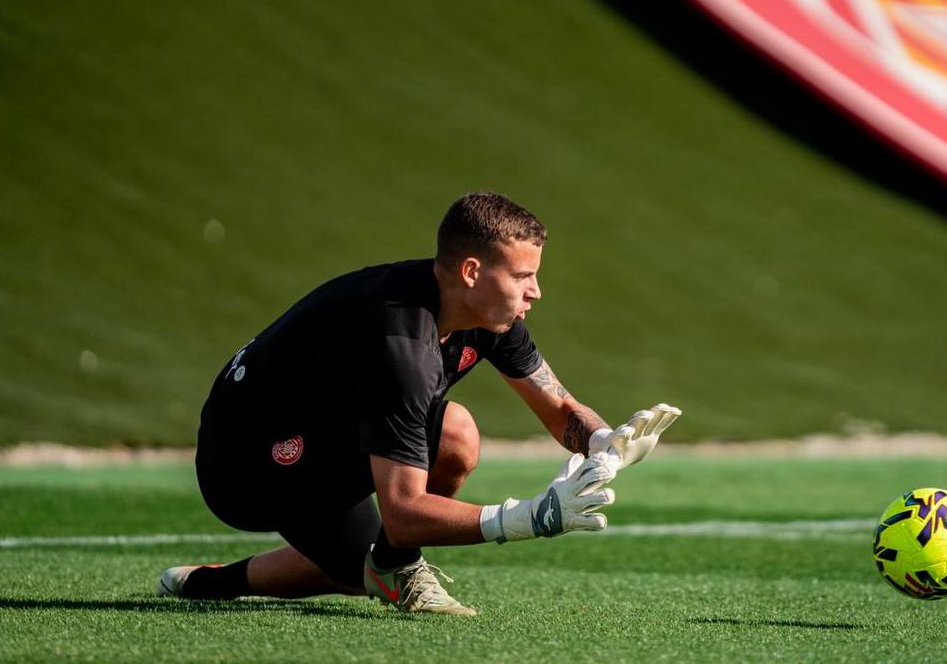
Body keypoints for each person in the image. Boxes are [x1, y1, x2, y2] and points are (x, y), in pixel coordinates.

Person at [156, 191, 680, 615]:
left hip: (334, 425)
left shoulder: (483, 313)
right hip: (249, 460)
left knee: (452, 442)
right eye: (523, 277)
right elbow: (404, 514)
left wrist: (602, 440)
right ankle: (385, 567)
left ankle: (221, 582)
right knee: (380, 557)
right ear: (472, 271)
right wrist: (531, 517)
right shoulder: (400, 348)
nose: (535, 292)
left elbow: (556, 403)